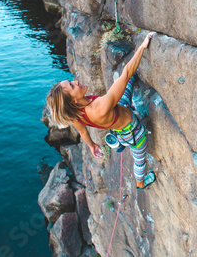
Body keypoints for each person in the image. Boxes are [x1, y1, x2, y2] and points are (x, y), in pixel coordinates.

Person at [46, 32, 156, 190]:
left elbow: (83, 133)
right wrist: (142, 46)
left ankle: (121, 144)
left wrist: (92, 146)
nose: (76, 81)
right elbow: (125, 74)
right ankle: (140, 183)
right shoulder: (100, 108)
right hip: (133, 131)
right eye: (72, 86)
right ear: (73, 101)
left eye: (70, 81)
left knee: (128, 84)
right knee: (139, 159)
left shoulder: (75, 115)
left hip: (119, 114)